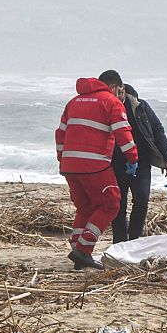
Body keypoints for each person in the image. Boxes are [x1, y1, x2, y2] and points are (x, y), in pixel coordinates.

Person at [55, 73, 138, 270]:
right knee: (111, 203)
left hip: (70, 165)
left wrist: (62, 158)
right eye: (120, 90)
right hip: (95, 165)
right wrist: (133, 158)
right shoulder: (112, 102)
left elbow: (60, 133)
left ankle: (77, 247)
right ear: (114, 87)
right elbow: (123, 133)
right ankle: (84, 249)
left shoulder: (73, 102)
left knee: (85, 208)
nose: (121, 94)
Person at [107, 77, 167, 243]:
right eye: (117, 94)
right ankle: (119, 242)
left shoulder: (140, 106)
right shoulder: (106, 107)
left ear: (124, 88)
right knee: (118, 204)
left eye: (121, 93)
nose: (119, 97)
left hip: (141, 161)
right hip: (116, 163)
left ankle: (134, 239)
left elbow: (158, 130)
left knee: (142, 199)